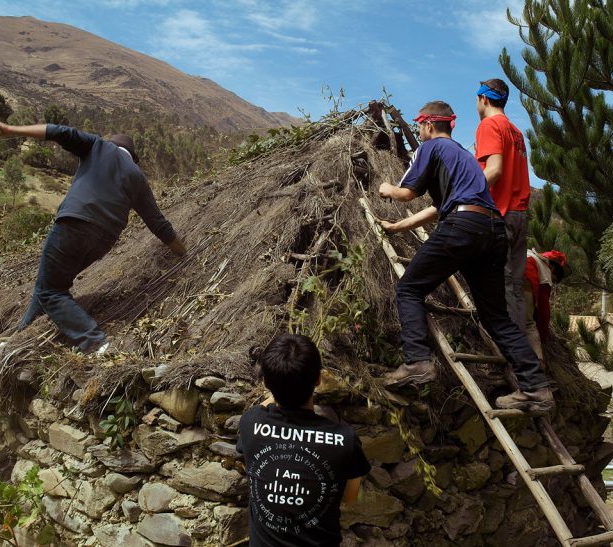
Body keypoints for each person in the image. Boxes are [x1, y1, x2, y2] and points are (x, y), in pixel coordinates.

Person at [377, 100, 553, 412]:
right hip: (492, 229)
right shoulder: (465, 158)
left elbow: (407, 193)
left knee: (409, 288)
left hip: (463, 227)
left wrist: (386, 188)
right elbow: (441, 207)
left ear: (429, 126)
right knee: (496, 316)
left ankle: (417, 361)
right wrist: (399, 227)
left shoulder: (430, 148)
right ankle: (536, 388)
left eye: (420, 126)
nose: (420, 131)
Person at [0, 121, 186, 353]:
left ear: (113, 145)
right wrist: (183, 252)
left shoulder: (98, 146)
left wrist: (11, 130)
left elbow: (60, 132)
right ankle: (18, 340)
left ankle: (96, 342)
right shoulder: (137, 176)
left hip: (74, 224)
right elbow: (157, 223)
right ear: (131, 156)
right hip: (102, 241)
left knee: (52, 291)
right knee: (46, 285)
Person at [236, 334, 370, 546]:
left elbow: (263, 405)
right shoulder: (344, 440)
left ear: (266, 383)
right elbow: (350, 497)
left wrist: (279, 383)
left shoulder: (251, 424)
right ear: (318, 379)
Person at [475, 78, 530, 332]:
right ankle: (521, 352)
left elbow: (494, 171)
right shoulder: (516, 132)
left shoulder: (489, 125)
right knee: (515, 287)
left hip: (501, 214)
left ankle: (509, 356)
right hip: (520, 215)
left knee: (501, 286)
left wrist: (464, 192)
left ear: (483, 99)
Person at [524, 249, 567, 361]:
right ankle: (538, 361)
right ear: (552, 268)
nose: (552, 282)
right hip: (523, 286)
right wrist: (542, 335)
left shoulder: (527, 253)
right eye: (554, 280)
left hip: (502, 276)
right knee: (528, 325)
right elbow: (544, 310)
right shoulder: (545, 272)